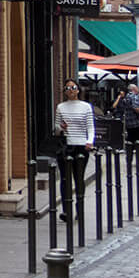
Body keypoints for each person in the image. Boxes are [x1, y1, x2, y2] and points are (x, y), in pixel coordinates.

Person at [55, 80, 94, 223]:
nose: (71, 90)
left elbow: (90, 126)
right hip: (67, 146)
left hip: (81, 146)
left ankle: (80, 209)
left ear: (78, 90)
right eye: (67, 88)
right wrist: (61, 127)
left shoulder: (86, 107)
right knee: (65, 179)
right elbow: (56, 128)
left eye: (73, 87)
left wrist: (90, 141)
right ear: (64, 91)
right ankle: (66, 210)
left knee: (79, 179)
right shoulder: (60, 107)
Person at [112, 83, 139, 154]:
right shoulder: (133, 96)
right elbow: (136, 107)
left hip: (129, 123)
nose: (138, 89)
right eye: (137, 88)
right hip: (136, 123)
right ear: (134, 89)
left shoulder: (127, 97)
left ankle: (129, 158)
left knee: (130, 141)